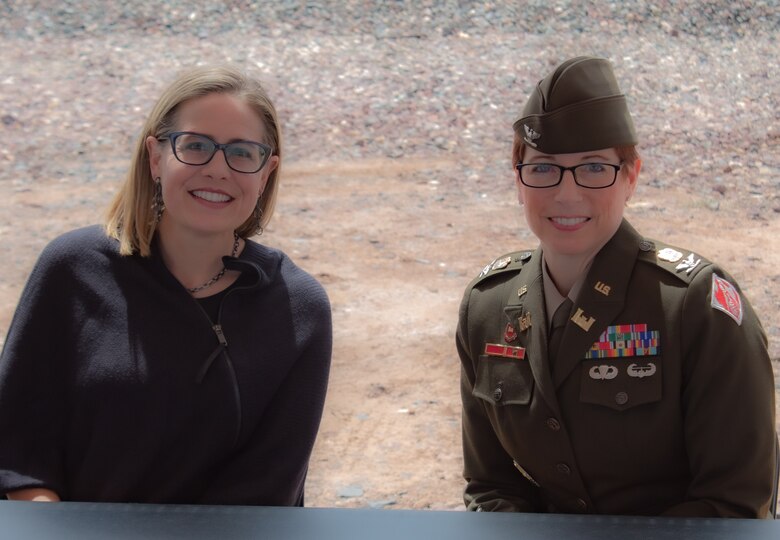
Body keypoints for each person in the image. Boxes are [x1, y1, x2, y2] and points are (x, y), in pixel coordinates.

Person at [457, 56, 777, 518]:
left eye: (593, 168)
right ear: (518, 181)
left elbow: (737, 504)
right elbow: (490, 485)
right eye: (543, 168)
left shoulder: (695, 307)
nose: (567, 194)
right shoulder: (487, 307)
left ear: (631, 175)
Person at [0, 65, 332, 505]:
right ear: (156, 157)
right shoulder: (72, 268)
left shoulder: (299, 308)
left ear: (266, 171)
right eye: (195, 146)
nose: (218, 169)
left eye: (242, 153)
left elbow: (268, 489)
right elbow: (20, 447)